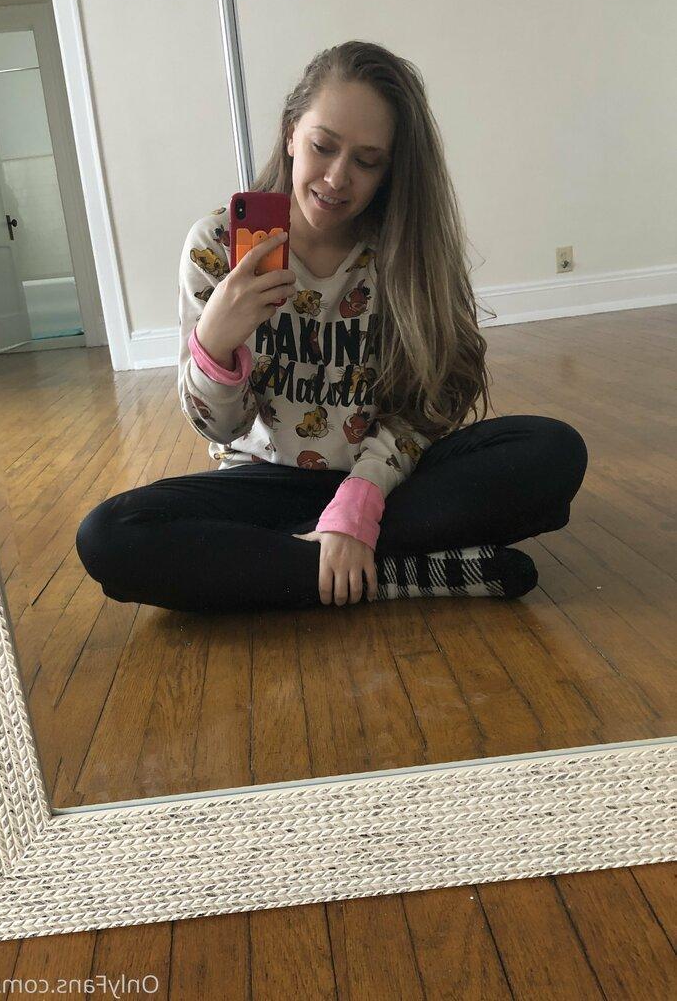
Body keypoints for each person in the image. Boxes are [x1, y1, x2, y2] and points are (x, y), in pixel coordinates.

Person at [76, 41, 588, 613]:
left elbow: (428, 407)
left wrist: (361, 501)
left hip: (386, 482)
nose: (338, 178)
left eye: (367, 161)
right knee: (109, 535)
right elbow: (221, 428)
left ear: (391, 171)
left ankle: (299, 564)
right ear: (291, 134)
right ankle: (392, 573)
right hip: (263, 486)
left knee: (552, 451)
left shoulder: (406, 251)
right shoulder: (217, 247)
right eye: (323, 147)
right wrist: (215, 343)